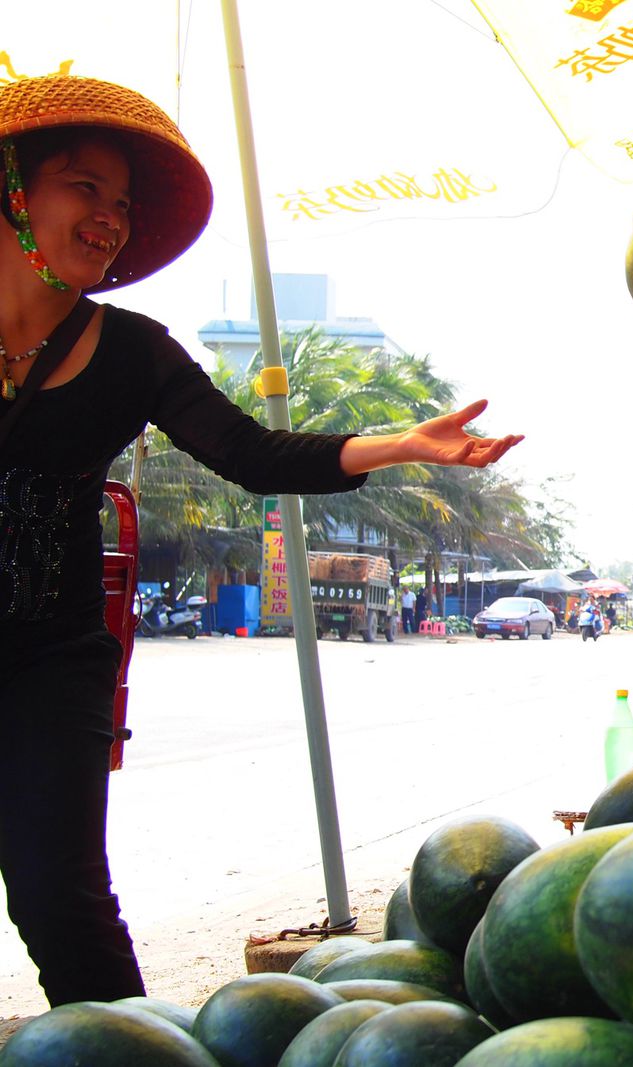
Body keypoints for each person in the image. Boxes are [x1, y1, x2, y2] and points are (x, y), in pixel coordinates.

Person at [0, 73, 523, 1007]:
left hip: (52, 657)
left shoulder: (136, 351)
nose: (110, 218)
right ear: (12, 188)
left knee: (61, 900)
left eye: (123, 204)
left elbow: (251, 453)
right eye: (85, 188)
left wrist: (404, 444)